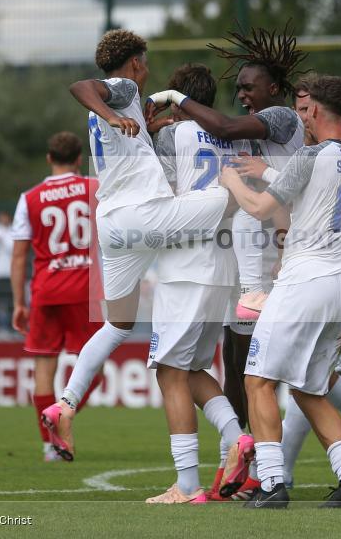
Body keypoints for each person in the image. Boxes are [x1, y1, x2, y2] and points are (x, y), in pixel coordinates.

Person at [218, 75, 341, 508]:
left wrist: (229, 180)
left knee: (257, 381)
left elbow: (259, 208)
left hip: (303, 283)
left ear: (323, 112)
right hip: (340, 288)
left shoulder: (309, 158)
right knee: (309, 389)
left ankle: (271, 484)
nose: (303, 117)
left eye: (308, 111)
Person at [43, 29, 232, 457]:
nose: (146, 72)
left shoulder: (114, 111)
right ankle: (255, 285)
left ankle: (67, 404)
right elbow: (82, 86)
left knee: (117, 324)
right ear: (134, 64)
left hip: (111, 223)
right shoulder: (123, 87)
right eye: (144, 63)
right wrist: (116, 116)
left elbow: (126, 140)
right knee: (234, 194)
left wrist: (146, 128)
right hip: (144, 213)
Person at [147, 23, 307, 322]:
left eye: (249, 88)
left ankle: (251, 290)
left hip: (292, 236)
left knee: (272, 344)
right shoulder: (247, 132)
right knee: (240, 333)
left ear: (273, 88)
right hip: (265, 235)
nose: (242, 95)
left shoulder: (281, 116)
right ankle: (250, 292)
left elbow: (224, 127)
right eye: (238, 89)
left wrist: (175, 98)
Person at [145, 64, 251, 504]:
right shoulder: (232, 135)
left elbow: (161, 193)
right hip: (225, 267)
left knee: (168, 372)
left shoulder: (175, 136)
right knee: (190, 370)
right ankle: (237, 437)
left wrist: (148, 137)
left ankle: (186, 484)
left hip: (185, 265)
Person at [11, 131, 103, 463]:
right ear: (79, 159)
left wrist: (19, 302)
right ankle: (64, 412)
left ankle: (49, 445)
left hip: (45, 290)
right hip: (84, 290)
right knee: (94, 367)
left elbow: (19, 255)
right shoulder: (95, 188)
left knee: (43, 368)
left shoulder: (29, 197)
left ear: (49, 158)